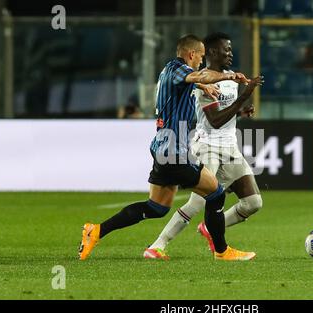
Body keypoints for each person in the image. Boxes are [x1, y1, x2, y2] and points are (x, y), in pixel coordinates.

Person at [78, 34, 261, 261]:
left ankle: (95, 231)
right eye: (201, 57)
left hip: (162, 149)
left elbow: (192, 83)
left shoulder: (170, 73)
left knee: (156, 207)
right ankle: (222, 251)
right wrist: (228, 76)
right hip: (175, 151)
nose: (202, 62)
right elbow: (199, 75)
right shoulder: (179, 69)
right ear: (191, 54)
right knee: (216, 195)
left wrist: (204, 86)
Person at [144, 32, 263, 260]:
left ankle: (210, 228)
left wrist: (240, 111)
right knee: (197, 202)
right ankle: (158, 244)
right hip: (207, 146)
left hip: (230, 147)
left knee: (253, 203)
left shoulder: (230, 77)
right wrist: (243, 97)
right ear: (210, 52)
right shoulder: (203, 80)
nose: (230, 53)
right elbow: (214, 120)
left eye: (230, 49)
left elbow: (226, 113)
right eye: (226, 49)